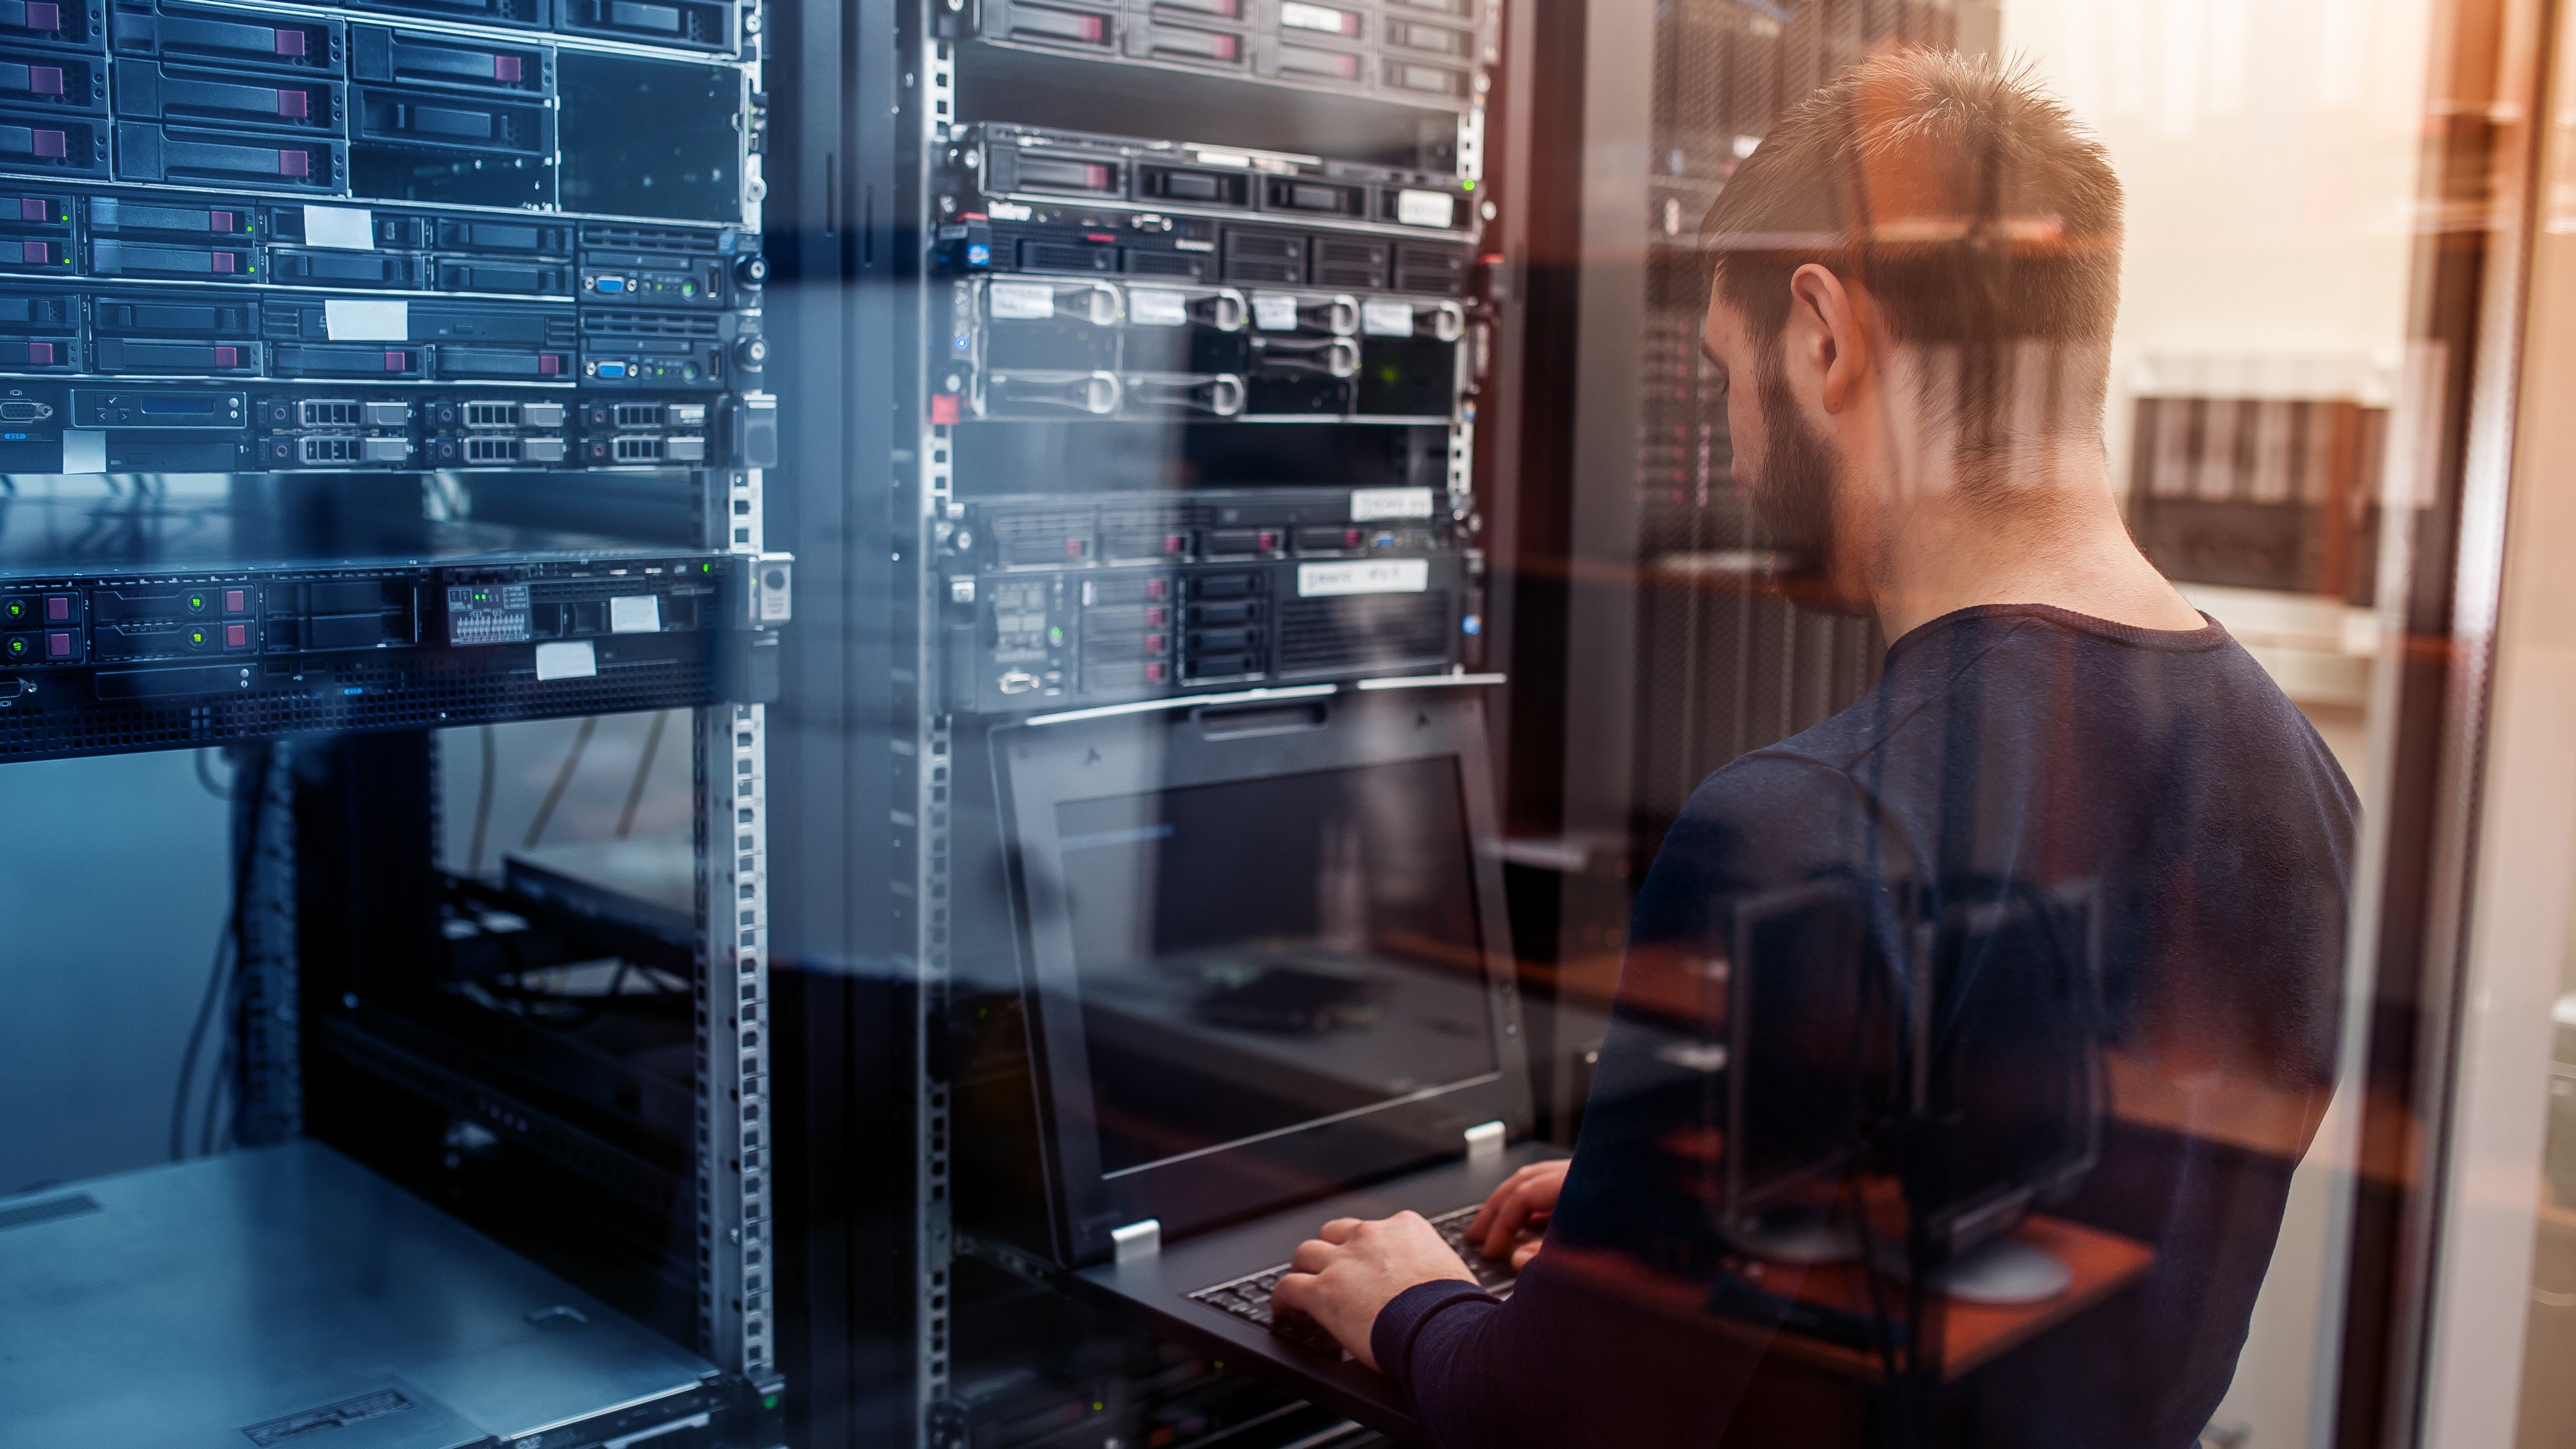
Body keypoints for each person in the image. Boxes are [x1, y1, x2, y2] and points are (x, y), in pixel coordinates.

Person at [1267, 48, 2357, 1448]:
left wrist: (1410, 1299)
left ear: (1825, 337)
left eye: (1725, 377)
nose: (1731, 448)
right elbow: (2025, 1226)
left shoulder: (1801, 827)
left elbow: (1558, 1426)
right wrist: (1651, 1227)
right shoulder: (2297, 774)